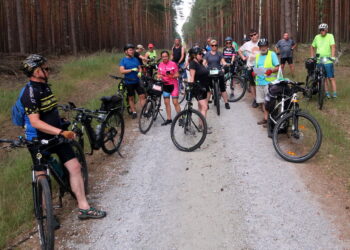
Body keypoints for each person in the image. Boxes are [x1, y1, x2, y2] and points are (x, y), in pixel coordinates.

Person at [21, 54, 106, 221]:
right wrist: (60, 132)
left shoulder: (45, 87)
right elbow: (36, 122)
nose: (48, 71)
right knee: (41, 175)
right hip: (38, 140)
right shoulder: (29, 93)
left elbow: (50, 111)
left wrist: (60, 122)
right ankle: (46, 215)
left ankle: (84, 207)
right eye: (45, 69)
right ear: (36, 71)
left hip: (56, 135)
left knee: (75, 167)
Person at [252, 38, 279, 126]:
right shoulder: (258, 56)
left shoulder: (272, 54)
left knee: (269, 102)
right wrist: (254, 72)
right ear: (259, 48)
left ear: (267, 46)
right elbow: (256, 68)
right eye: (261, 46)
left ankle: (272, 120)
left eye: (264, 46)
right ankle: (266, 118)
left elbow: (278, 67)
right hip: (259, 82)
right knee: (262, 102)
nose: (263, 48)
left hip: (269, 83)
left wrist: (271, 70)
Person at [188, 47, 212, 134]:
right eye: (200, 54)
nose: (202, 55)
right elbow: (192, 77)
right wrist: (190, 88)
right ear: (194, 55)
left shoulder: (200, 62)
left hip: (204, 87)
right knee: (205, 107)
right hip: (198, 88)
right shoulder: (193, 64)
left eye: (202, 54)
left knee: (201, 107)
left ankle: (201, 124)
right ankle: (203, 128)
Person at [119, 43, 146, 119]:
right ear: (126, 51)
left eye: (132, 50)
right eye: (130, 50)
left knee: (142, 96)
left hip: (137, 81)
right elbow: (122, 71)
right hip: (129, 82)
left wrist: (140, 72)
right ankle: (134, 112)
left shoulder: (135, 59)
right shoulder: (123, 60)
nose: (132, 51)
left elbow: (139, 67)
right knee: (131, 98)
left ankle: (144, 111)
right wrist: (131, 70)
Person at [311, 23, 337, 98]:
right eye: (320, 30)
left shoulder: (330, 36)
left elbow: (333, 46)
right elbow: (312, 46)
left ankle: (334, 93)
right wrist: (312, 56)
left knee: (331, 77)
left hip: (328, 60)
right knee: (323, 77)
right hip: (319, 61)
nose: (322, 31)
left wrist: (332, 56)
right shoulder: (317, 37)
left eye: (323, 30)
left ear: (326, 30)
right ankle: (327, 93)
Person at [203, 39, 230, 109]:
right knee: (208, 88)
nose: (214, 47)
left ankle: (226, 102)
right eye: (212, 45)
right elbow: (204, 62)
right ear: (210, 46)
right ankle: (207, 103)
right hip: (210, 71)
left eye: (215, 45)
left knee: (222, 87)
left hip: (218, 71)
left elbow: (223, 61)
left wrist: (225, 65)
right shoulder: (207, 54)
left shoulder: (219, 53)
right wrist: (203, 66)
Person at [157, 51, 181, 126]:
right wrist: (159, 76)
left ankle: (181, 118)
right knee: (166, 103)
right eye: (163, 56)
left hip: (173, 85)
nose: (164, 58)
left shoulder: (173, 64)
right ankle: (169, 119)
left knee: (175, 102)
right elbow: (158, 73)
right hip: (165, 85)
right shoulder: (160, 65)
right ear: (161, 57)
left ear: (168, 56)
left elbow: (177, 74)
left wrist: (171, 75)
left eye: (166, 56)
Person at [238, 29, 260, 108]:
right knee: (252, 84)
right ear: (250, 37)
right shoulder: (247, 44)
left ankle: (261, 99)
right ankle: (255, 99)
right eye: (251, 35)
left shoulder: (261, 42)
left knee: (259, 83)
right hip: (250, 66)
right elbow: (239, 50)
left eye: (254, 34)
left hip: (260, 67)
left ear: (257, 34)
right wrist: (243, 57)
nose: (253, 36)